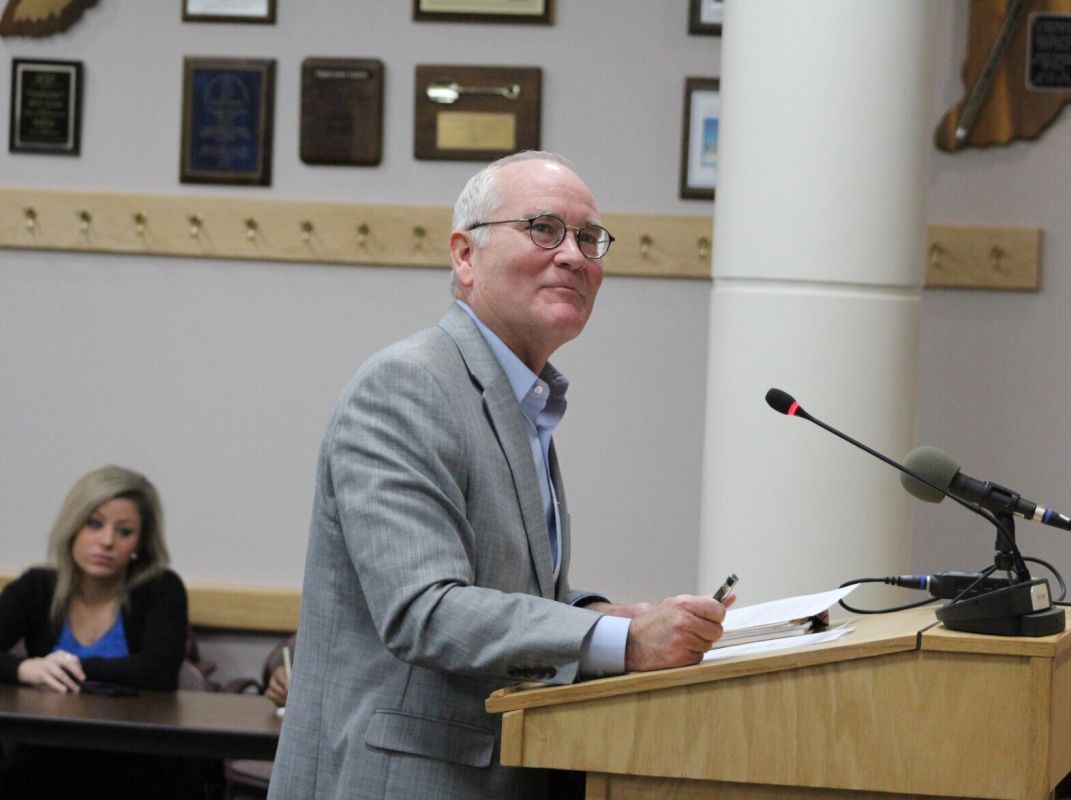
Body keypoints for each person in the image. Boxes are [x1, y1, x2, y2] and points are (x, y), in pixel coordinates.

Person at [268, 151, 732, 800]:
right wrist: (620, 641)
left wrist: (600, 612)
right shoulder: (408, 385)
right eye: (543, 229)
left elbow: (510, 591)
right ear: (465, 256)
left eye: (589, 238)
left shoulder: (524, 398)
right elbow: (425, 610)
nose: (573, 255)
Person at [0, 465, 189, 796]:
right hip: (49, 752)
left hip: (135, 755)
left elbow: (158, 671)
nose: (106, 542)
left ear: (140, 543)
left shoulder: (161, 588)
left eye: (124, 531)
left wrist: (63, 668)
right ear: (73, 527)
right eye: (95, 524)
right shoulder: (37, 587)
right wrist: (25, 668)